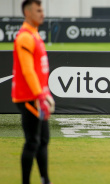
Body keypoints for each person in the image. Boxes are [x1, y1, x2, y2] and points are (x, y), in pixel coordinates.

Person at [11, 0, 55, 184]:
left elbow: (39, 70)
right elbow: (28, 70)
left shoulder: (35, 35)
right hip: (29, 97)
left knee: (43, 139)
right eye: (38, 10)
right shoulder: (25, 37)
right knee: (33, 141)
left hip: (38, 97)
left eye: (42, 9)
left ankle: (45, 179)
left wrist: (45, 93)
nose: (42, 13)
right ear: (28, 13)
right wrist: (40, 94)